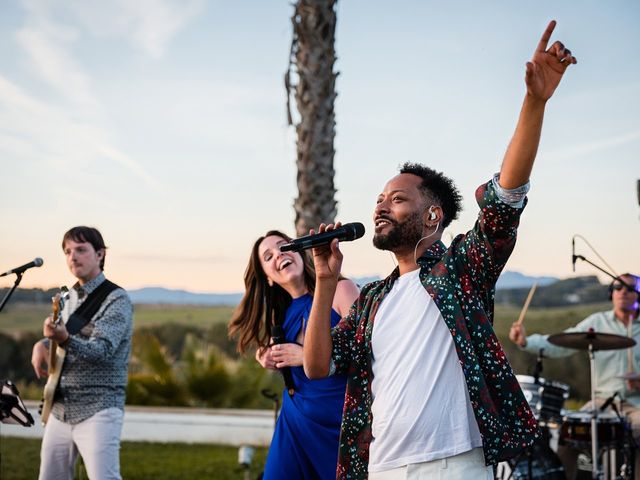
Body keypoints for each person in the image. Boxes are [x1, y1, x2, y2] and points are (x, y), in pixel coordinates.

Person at [302, 20, 576, 480]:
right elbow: (318, 366)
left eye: (398, 199)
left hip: (453, 465)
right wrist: (326, 282)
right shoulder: (372, 300)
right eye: (379, 200)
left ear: (432, 216)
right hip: (380, 466)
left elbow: (504, 200)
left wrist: (533, 102)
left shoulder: (460, 270)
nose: (381, 207)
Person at [229, 230, 359, 479]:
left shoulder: (342, 290)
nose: (278, 254)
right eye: (268, 256)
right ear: (267, 277)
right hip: (294, 424)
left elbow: (371, 352)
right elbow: (273, 350)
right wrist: (265, 355)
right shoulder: (281, 314)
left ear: (299, 251)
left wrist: (306, 357)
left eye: (282, 246)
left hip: (339, 425)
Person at [509, 273, 640, 479]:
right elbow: (560, 344)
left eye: (630, 288)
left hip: (636, 404)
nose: (623, 291)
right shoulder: (597, 321)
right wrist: (526, 342)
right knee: (568, 431)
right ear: (611, 293)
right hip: (601, 402)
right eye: (618, 287)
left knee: (637, 430)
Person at [31, 226, 133, 480]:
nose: (72, 257)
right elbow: (61, 339)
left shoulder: (116, 299)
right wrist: (42, 345)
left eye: (80, 250)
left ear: (99, 254)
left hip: (98, 408)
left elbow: (102, 351)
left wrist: (63, 338)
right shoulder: (69, 297)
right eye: (67, 251)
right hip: (60, 408)